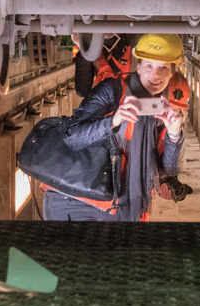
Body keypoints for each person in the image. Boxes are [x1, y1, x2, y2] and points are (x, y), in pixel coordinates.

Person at [43, 33, 186, 221]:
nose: (155, 74)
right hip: (74, 198)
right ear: (139, 66)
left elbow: (168, 171)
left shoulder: (163, 113)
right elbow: (73, 137)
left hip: (118, 207)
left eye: (163, 68)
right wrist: (113, 121)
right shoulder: (113, 90)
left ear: (171, 73)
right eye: (149, 66)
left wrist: (174, 135)